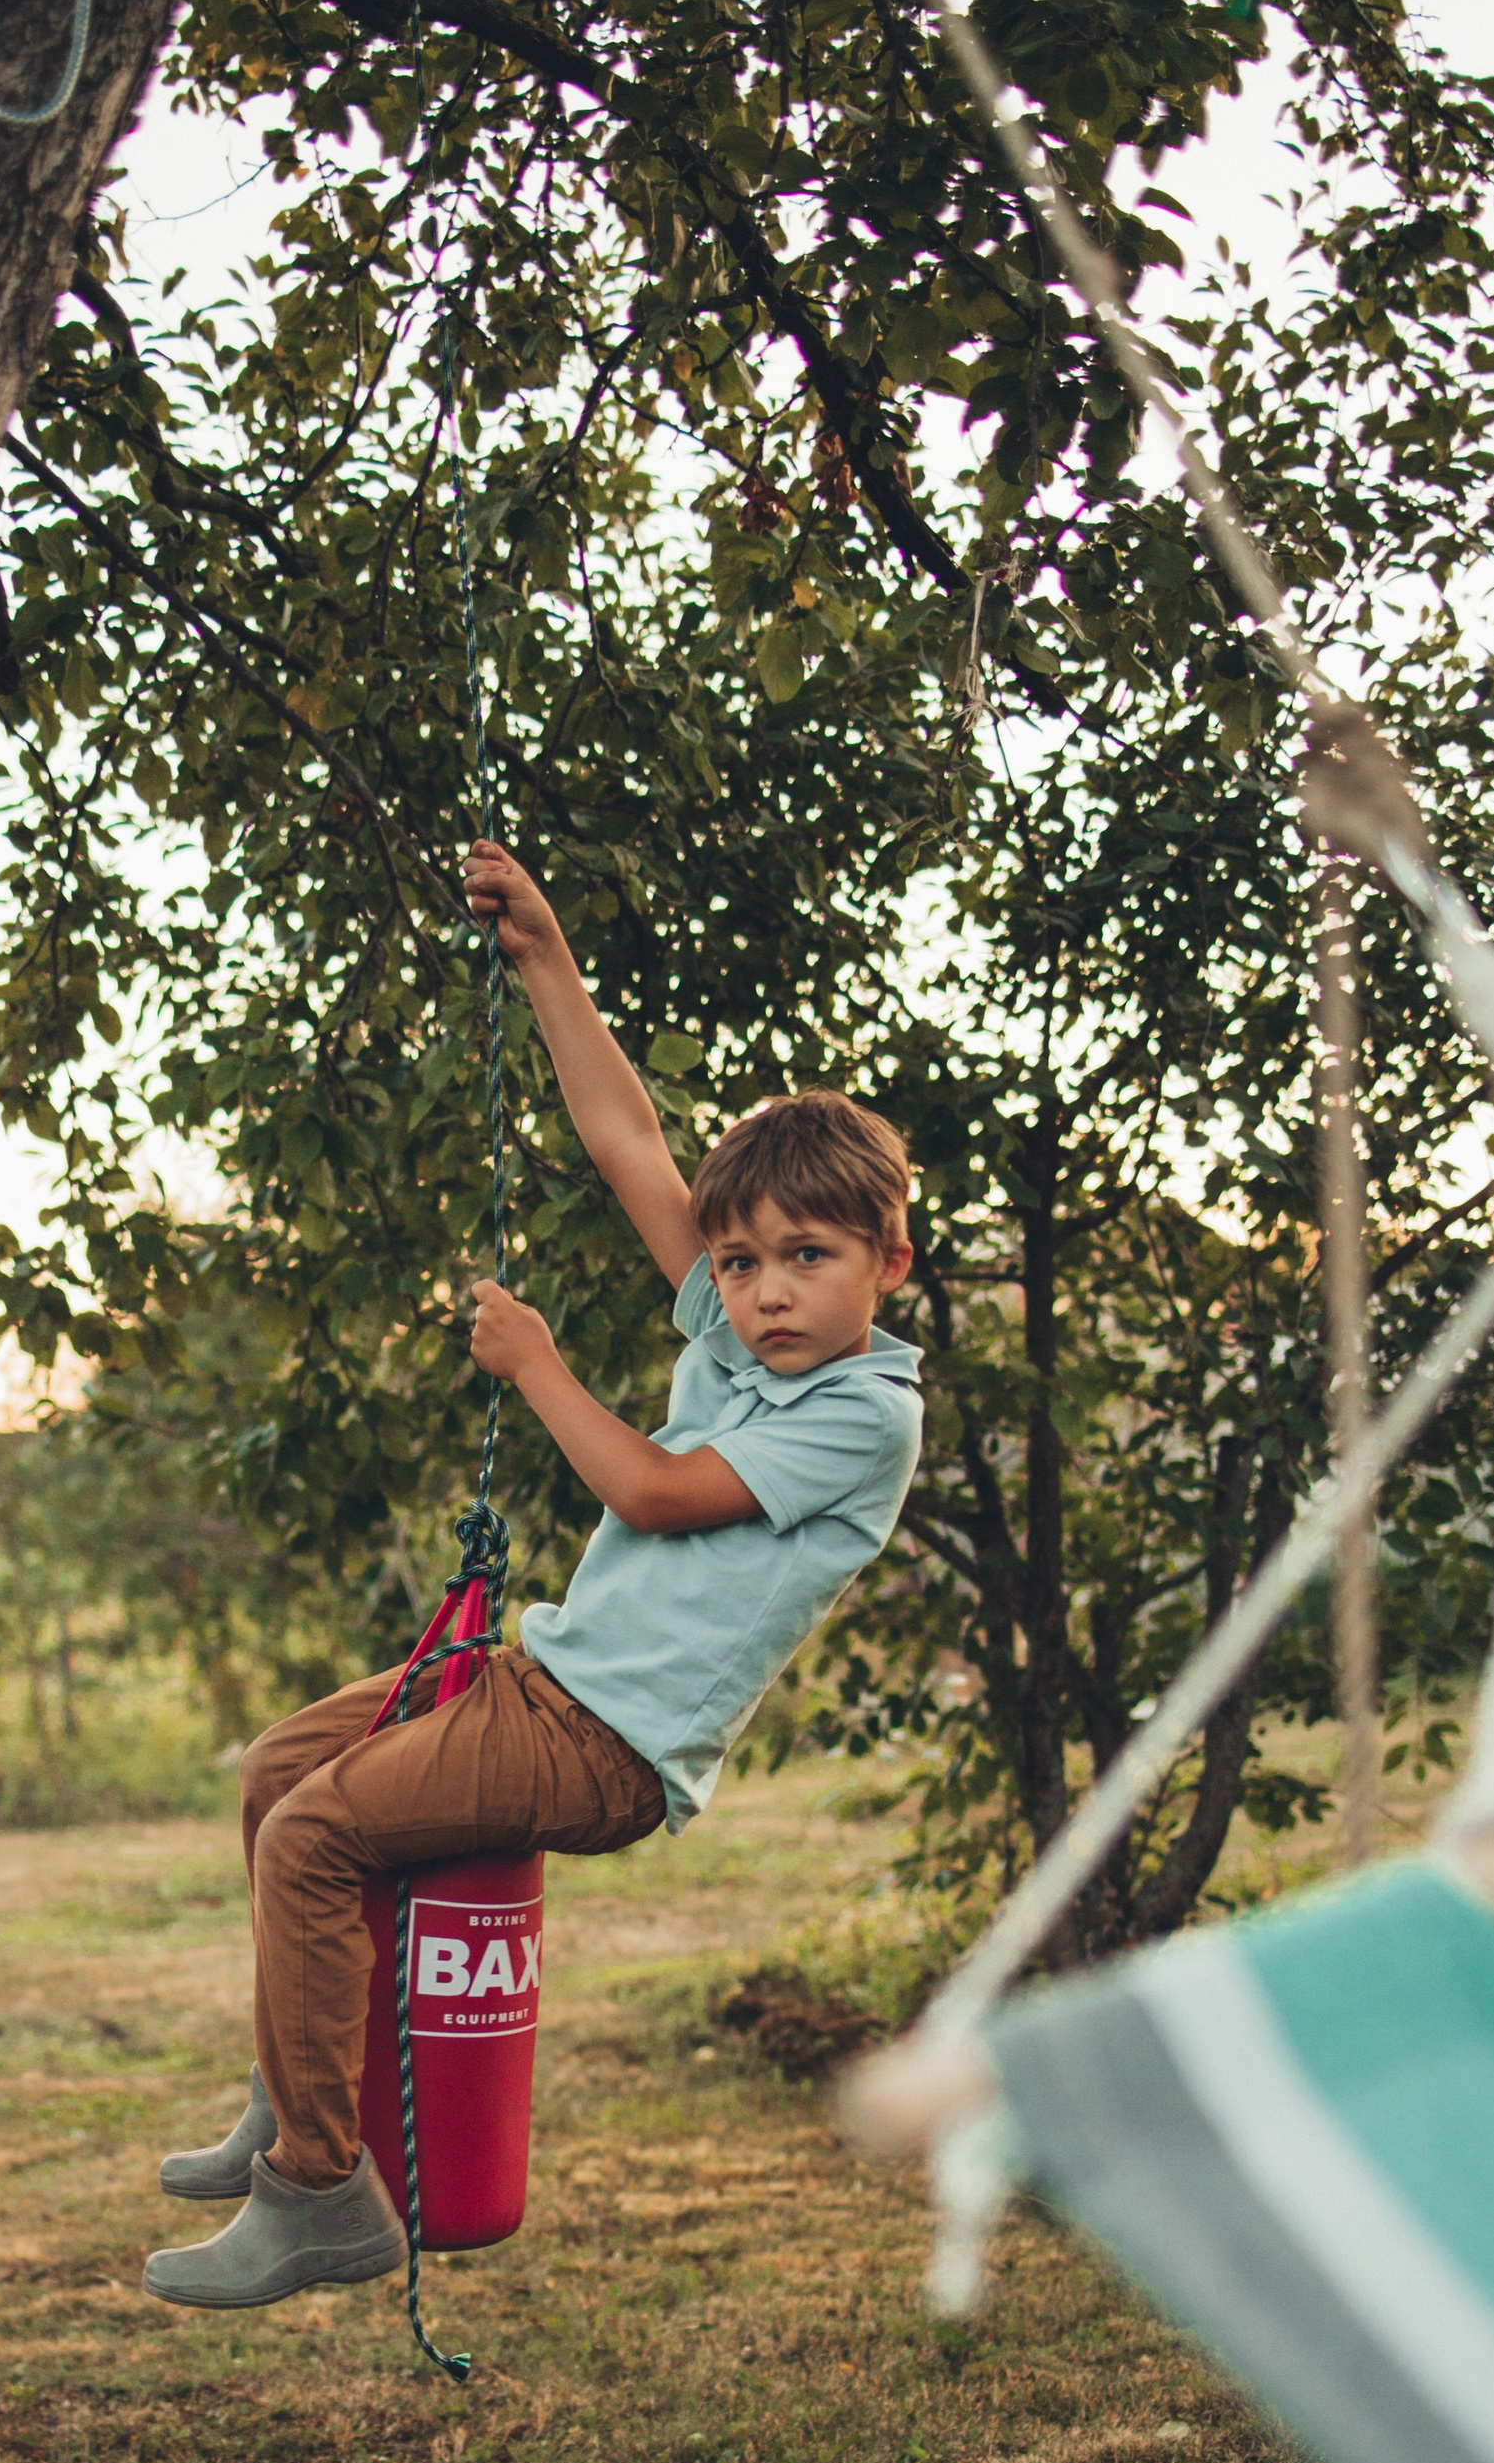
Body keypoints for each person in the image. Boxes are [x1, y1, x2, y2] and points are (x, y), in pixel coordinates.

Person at [142, 836, 926, 2310]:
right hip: (541, 1680)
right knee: (277, 1770)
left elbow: (653, 1492)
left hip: (607, 1744)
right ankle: (297, 2103)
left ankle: (319, 2197)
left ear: (888, 1261)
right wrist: (548, 957)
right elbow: (629, 1141)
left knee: (313, 1841)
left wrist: (539, 1366)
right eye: (741, 1262)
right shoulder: (737, 1336)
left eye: (808, 1259)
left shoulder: (863, 1415)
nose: (765, 1292)